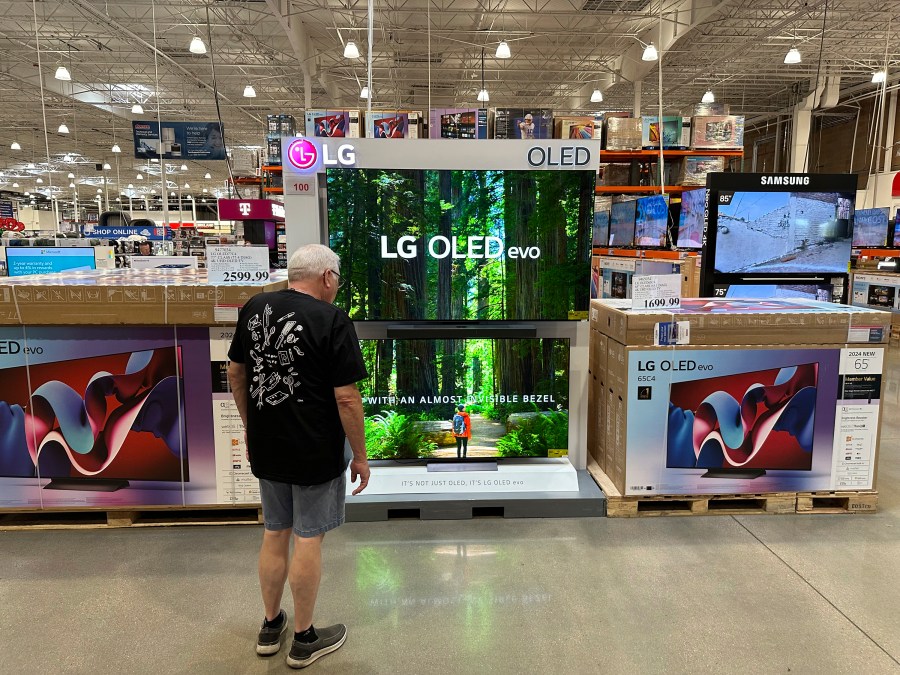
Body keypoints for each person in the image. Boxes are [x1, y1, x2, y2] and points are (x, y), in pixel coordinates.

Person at [226, 244, 370, 669]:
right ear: (327, 276)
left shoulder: (254, 308)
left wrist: (252, 426)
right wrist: (360, 456)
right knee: (309, 537)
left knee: (276, 532)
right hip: (315, 448)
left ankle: (271, 627)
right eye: (337, 278)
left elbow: (236, 372)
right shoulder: (331, 319)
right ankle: (304, 639)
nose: (337, 285)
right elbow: (346, 399)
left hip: (268, 445)